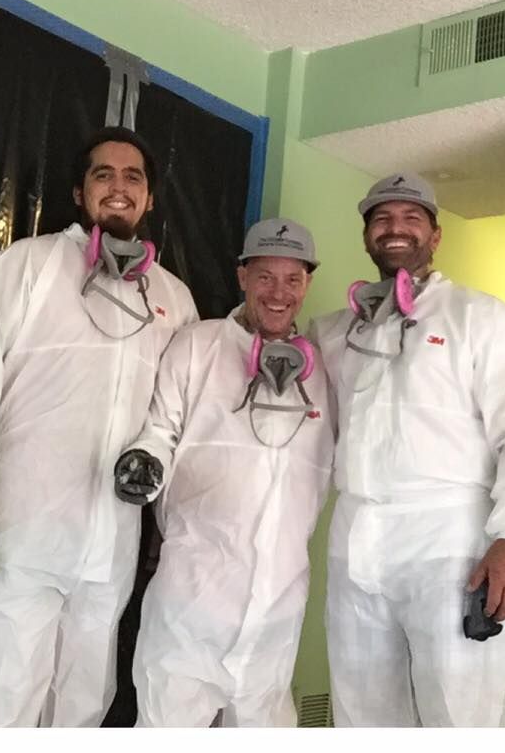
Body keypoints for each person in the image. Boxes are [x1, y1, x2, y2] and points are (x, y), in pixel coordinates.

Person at [0, 129, 198, 727]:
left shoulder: (172, 298)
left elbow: (179, 415)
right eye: (103, 174)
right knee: (2, 693)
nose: (118, 187)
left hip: (111, 545)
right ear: (79, 191)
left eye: (133, 177)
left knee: (82, 703)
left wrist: (171, 520)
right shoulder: (30, 265)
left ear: (149, 199)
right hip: (23, 529)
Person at [312, 172, 505, 727]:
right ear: (366, 237)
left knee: (460, 713)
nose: (395, 229)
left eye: (410, 219)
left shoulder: (481, 318)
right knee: (361, 713)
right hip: (357, 540)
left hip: (450, 541)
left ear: (435, 234)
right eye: (381, 219)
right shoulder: (338, 334)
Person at [117, 218, 333, 727]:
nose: (279, 293)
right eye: (265, 277)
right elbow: (160, 428)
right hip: (193, 601)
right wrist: (145, 461)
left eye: (293, 279)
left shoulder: (324, 373)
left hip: (278, 610)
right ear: (241, 277)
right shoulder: (199, 345)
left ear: (307, 284)